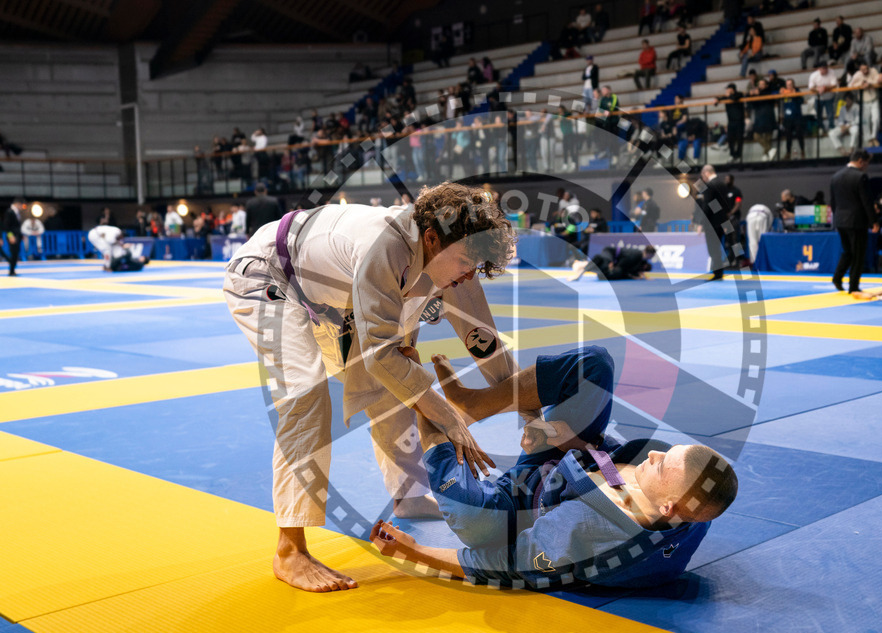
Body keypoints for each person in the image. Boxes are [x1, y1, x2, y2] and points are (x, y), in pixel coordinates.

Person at [223, 183, 522, 593]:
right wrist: (448, 416)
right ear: (431, 239)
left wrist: (534, 417)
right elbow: (379, 355)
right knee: (306, 391)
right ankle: (289, 550)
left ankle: (408, 495)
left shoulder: (456, 260)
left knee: (401, 373)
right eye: (467, 263)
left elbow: (486, 346)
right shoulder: (384, 247)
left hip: (332, 300)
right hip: (268, 277)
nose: (471, 274)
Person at [370, 346, 738, 590]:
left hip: (511, 513)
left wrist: (413, 552)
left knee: (468, 513)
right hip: (563, 465)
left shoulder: (594, 535)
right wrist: (566, 439)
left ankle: (424, 401)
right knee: (594, 364)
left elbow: (506, 565)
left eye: (661, 467)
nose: (654, 455)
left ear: (667, 507)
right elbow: (614, 474)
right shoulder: (685, 504)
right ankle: (473, 403)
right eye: (666, 454)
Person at [830, 149, 878, 293]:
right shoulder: (860, 177)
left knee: (847, 252)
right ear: (860, 161)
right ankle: (853, 286)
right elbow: (866, 202)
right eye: (866, 163)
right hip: (857, 221)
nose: (866, 167)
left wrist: (837, 218)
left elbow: (833, 202)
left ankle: (837, 277)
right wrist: (874, 221)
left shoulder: (835, 177)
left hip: (840, 220)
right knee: (858, 255)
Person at [695, 164, 732, 279]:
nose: (703, 179)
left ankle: (717, 272)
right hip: (722, 221)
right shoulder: (723, 184)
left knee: (713, 248)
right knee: (718, 246)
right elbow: (726, 204)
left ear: (706, 173)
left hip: (711, 222)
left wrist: (701, 223)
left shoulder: (710, 186)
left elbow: (707, 206)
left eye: (703, 176)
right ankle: (719, 271)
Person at [849, 62, 882, 146]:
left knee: (875, 119)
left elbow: (878, 81)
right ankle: (869, 139)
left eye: (866, 69)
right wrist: (861, 84)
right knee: (865, 121)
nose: (865, 71)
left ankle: (874, 137)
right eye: (863, 69)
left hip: (874, 99)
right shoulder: (857, 75)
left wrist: (869, 83)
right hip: (864, 101)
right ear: (860, 69)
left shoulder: (873, 71)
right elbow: (850, 86)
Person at [716, 83, 745, 162]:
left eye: (728, 89)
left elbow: (734, 98)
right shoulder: (727, 97)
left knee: (739, 139)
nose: (727, 90)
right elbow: (718, 99)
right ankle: (732, 155)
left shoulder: (739, 94)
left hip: (739, 121)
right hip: (731, 121)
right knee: (730, 139)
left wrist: (729, 95)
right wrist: (717, 99)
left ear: (732, 89)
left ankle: (738, 155)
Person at [779, 79, 806, 160]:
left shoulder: (797, 91)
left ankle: (802, 151)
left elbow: (802, 101)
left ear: (793, 85)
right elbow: (778, 99)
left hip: (797, 116)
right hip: (787, 118)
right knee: (788, 136)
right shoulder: (784, 92)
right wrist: (780, 92)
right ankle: (788, 153)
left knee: (799, 134)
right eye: (787, 85)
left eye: (790, 84)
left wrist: (795, 95)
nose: (789, 86)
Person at [808, 64, 838, 132]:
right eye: (823, 69)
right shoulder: (814, 75)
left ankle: (831, 126)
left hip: (829, 97)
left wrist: (824, 88)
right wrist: (817, 89)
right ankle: (820, 127)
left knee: (830, 114)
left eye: (826, 68)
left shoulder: (831, 72)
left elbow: (834, 84)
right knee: (819, 114)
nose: (825, 70)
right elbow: (811, 87)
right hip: (818, 98)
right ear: (819, 69)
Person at [3, 198, 23, 276]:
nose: (21, 207)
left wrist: (21, 235)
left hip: (17, 235)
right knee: (13, 253)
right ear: (17, 204)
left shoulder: (17, 212)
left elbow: (17, 226)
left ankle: (12, 270)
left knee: (16, 253)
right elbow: (6, 226)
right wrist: (10, 236)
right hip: (12, 236)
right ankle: (11, 270)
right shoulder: (10, 212)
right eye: (21, 205)